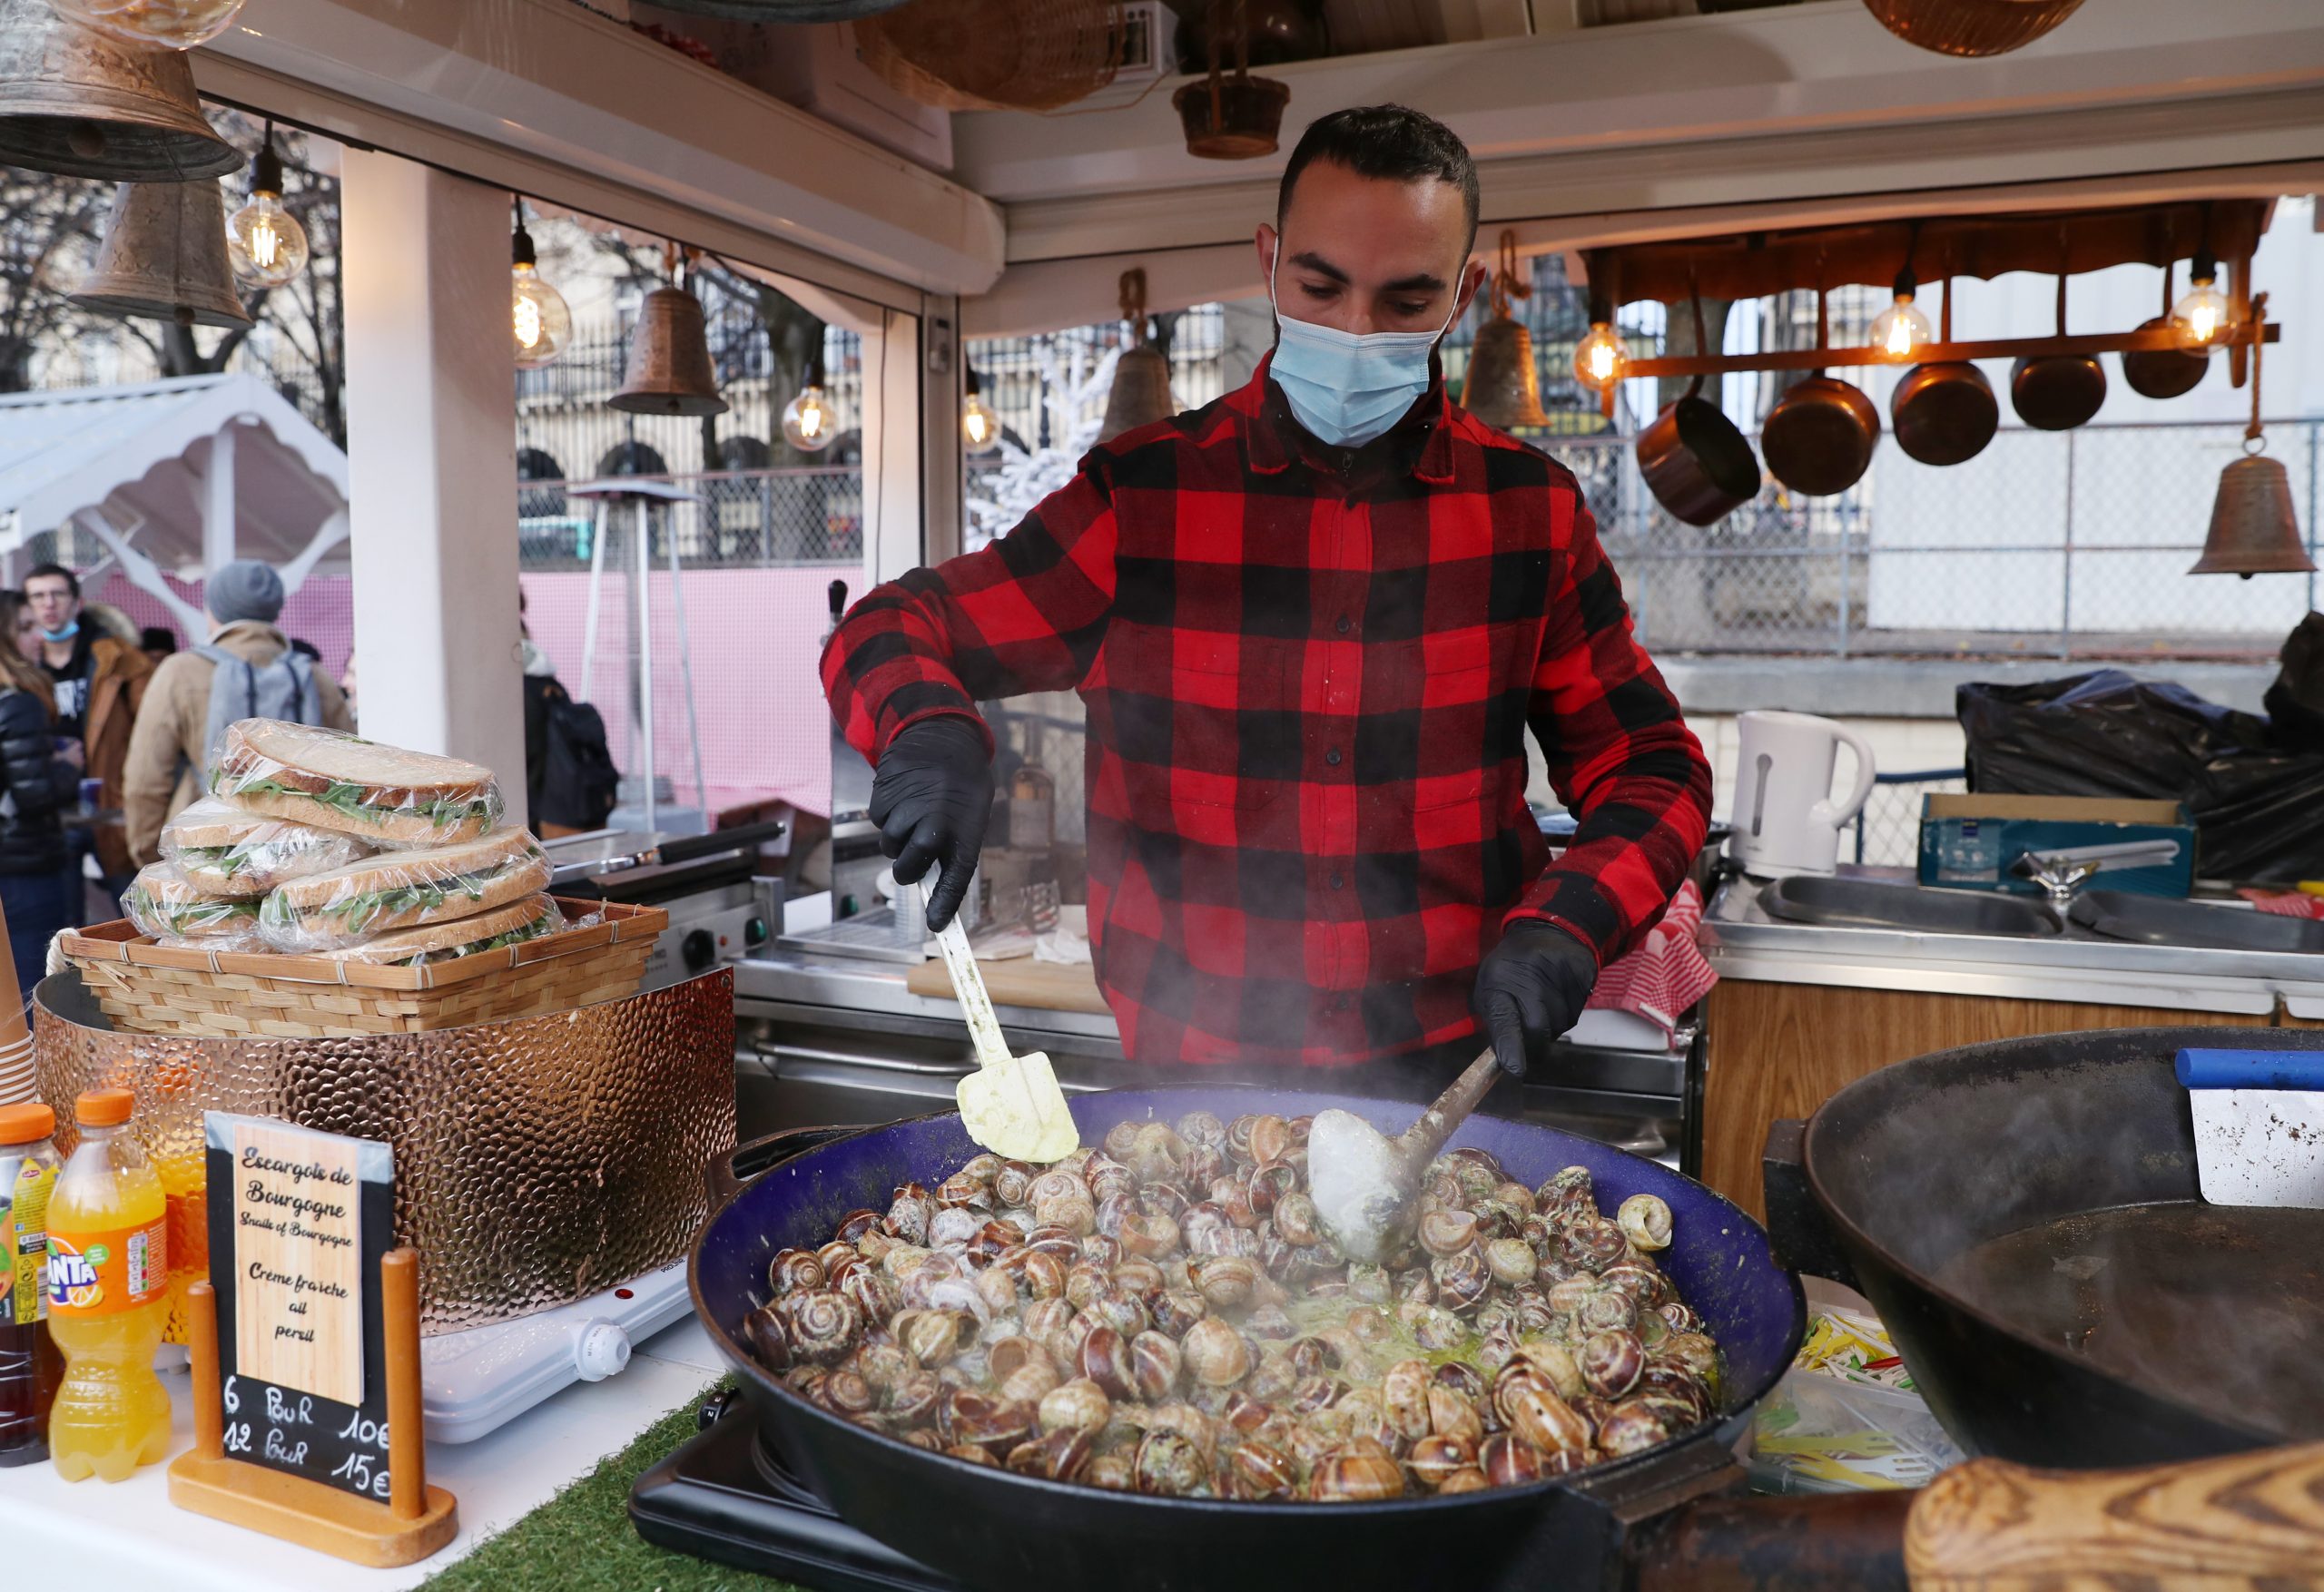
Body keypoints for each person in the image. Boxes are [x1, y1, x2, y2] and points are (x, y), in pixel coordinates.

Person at [823, 106, 1711, 1083]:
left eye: (1405, 300)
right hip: (1188, 1075)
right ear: (1269, 260)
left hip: (1450, 1076)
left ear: (1462, 295)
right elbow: (891, 624)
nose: (1355, 330)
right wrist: (928, 727)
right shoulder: (1143, 500)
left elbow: (1652, 765)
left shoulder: (1528, 512)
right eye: (1321, 287)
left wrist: (1571, 920)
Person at [121, 560, 354, 865]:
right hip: (302, 852)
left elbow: (145, 778)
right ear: (275, 609)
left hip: (205, 850)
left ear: (213, 611)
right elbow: (351, 771)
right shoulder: (313, 674)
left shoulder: (180, 671)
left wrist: (149, 854)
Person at [22, 565, 153, 916]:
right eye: (37, 596)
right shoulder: (20, 666)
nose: (48, 604)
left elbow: (151, 730)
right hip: (53, 811)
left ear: (76, 601)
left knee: (137, 912)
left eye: (57, 594)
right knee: (62, 924)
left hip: (112, 806)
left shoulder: (117, 657)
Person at [0, 633, 81, 1010]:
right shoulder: (18, 704)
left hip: (15, 860)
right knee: (37, 990)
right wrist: (68, 768)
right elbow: (34, 796)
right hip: (24, 863)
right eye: (26, 624)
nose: (38, 636)